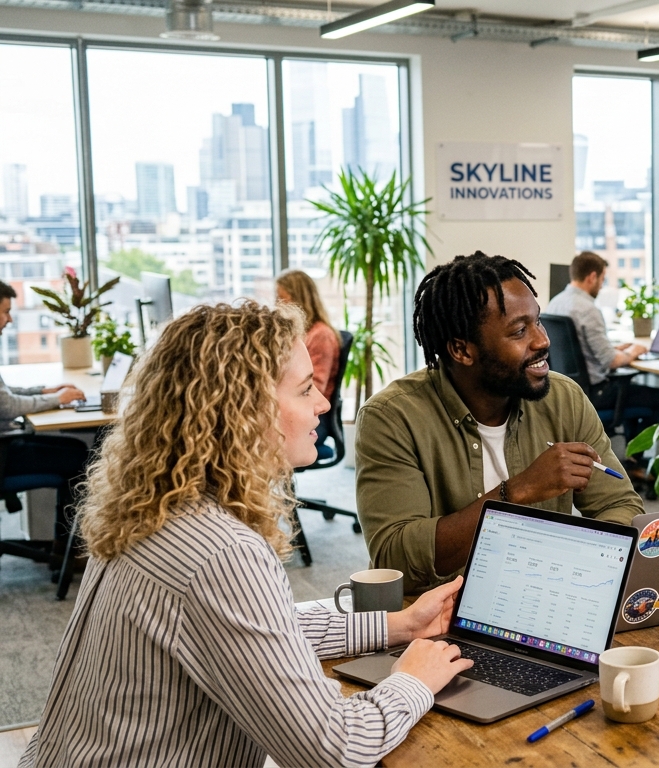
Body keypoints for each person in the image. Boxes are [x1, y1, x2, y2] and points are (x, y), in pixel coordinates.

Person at [20, 302, 473, 768]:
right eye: (304, 390)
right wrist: (413, 679)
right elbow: (334, 749)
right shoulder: (222, 552)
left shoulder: (147, 507)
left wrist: (399, 625)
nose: (322, 403)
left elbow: (262, 636)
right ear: (243, 413)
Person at [355, 251, 643, 594]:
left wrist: (573, 571)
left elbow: (620, 506)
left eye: (539, 322)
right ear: (462, 350)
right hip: (440, 616)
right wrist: (516, 492)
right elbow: (395, 557)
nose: (542, 341)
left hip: (548, 600)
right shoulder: (393, 418)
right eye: (520, 331)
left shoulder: (563, 399)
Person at [545, 250, 659, 449]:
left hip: (568, 391)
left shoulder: (555, 303)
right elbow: (611, 361)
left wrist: (614, 347)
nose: (601, 285)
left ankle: (631, 459)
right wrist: (633, 352)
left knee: (636, 392)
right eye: (602, 279)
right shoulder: (588, 308)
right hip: (596, 394)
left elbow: (579, 348)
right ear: (592, 277)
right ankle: (636, 459)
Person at [0, 279, 89, 560]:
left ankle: (62, 546)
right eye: (4, 312)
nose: (9, 319)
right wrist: (58, 399)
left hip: (6, 446)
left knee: (76, 449)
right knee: (80, 458)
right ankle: (66, 554)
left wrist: (44, 391)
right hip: (3, 455)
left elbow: (6, 394)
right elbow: (8, 406)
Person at [276, 268, 341, 403]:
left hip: (312, 411)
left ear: (298, 299)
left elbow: (315, 388)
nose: (277, 305)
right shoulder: (302, 333)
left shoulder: (322, 335)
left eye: (281, 299)